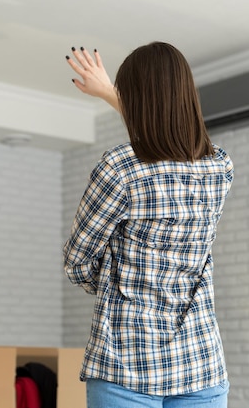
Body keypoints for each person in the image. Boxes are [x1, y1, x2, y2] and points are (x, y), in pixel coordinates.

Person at [63, 43, 234, 408]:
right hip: (200, 362)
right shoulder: (220, 168)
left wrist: (117, 278)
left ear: (135, 100)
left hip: (125, 365)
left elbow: (77, 263)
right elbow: (169, 143)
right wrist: (112, 94)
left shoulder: (120, 168)